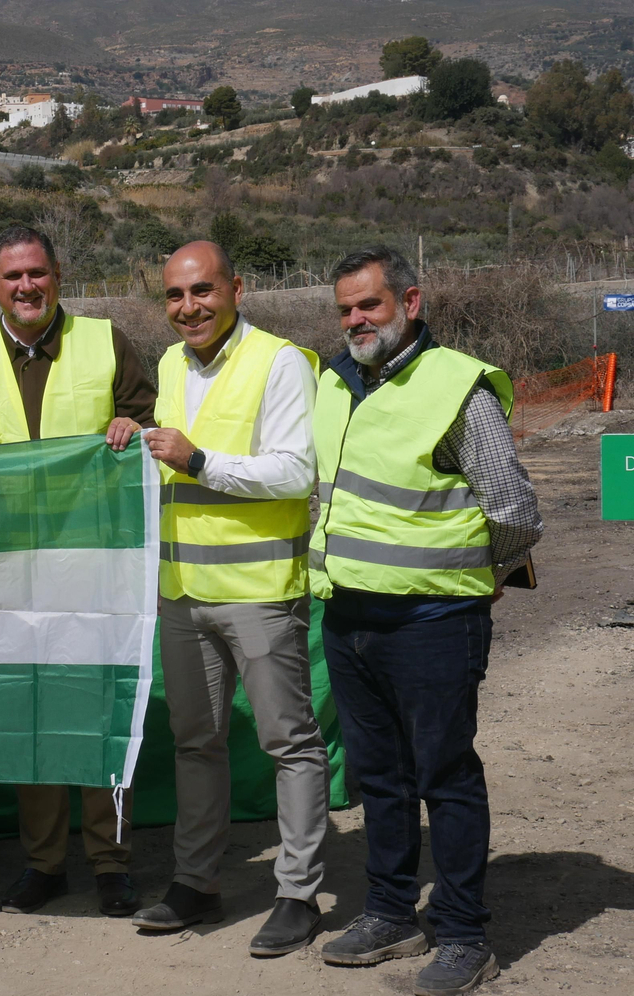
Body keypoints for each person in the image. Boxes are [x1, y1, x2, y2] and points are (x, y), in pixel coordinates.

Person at [311, 246, 541, 996]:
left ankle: (464, 934)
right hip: (348, 615)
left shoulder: (457, 386)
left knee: (444, 775)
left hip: (433, 621)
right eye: (346, 309)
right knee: (379, 776)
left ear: (410, 302)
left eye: (369, 305)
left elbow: (513, 507)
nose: (356, 320)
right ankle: (389, 911)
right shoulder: (334, 381)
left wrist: (487, 577)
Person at [106, 242, 330, 956]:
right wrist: (133, 438)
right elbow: (165, 459)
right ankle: (196, 882)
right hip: (184, 593)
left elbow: (296, 471)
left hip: (259, 592)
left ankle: (297, 894)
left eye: (202, 290)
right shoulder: (170, 364)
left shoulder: (281, 362)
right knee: (195, 744)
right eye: (175, 295)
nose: (189, 307)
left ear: (237, 288)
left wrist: (198, 460)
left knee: (289, 743)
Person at [0, 226, 157, 917]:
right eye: (12, 276)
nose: (26, 286)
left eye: (37, 272)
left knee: (97, 710)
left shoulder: (106, 339)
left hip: (93, 559)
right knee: (29, 712)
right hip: (7, 567)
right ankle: (44, 863)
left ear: (57, 274)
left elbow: (146, 419)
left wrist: (131, 427)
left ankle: (110, 861)